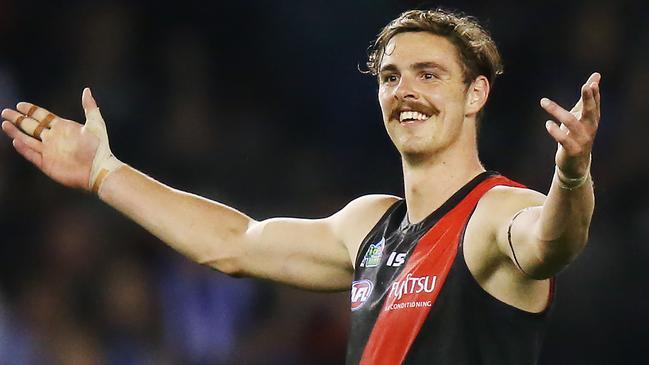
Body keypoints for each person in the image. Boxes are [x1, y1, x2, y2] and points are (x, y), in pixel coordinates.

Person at [1, 8, 600, 365]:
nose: (405, 90)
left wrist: (571, 175)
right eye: (390, 76)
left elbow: (553, 241)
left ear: (476, 95)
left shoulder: (496, 210)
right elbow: (236, 243)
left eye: (429, 74)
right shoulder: (369, 224)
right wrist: (104, 173)